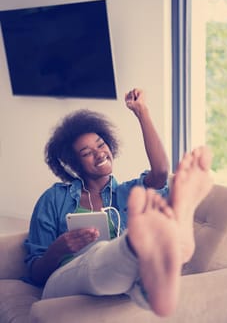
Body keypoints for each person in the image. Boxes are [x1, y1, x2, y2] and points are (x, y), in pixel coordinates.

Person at [24, 88, 213, 317]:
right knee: (98, 251)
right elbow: (35, 275)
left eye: (101, 144)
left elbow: (161, 173)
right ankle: (143, 249)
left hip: (116, 282)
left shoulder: (128, 193)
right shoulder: (53, 199)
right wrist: (58, 250)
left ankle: (148, 272)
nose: (99, 153)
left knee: (120, 266)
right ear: (74, 164)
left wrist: (142, 112)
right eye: (86, 153)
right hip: (63, 284)